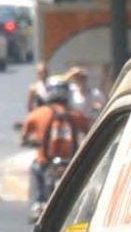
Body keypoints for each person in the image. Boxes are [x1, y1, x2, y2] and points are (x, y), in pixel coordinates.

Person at [21, 81, 86, 210]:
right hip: (71, 163)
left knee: (35, 168)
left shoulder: (38, 114)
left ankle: (38, 203)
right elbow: (89, 130)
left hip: (46, 162)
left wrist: (28, 141)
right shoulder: (76, 115)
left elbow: (25, 135)